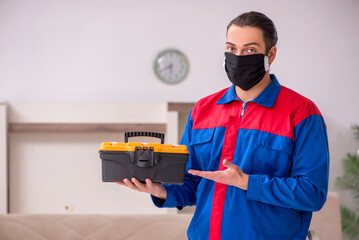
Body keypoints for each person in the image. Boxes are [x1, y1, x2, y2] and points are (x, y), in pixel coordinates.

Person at [117, 11, 329, 240]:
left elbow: (312, 193)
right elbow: (192, 182)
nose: (238, 56)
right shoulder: (203, 110)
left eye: (249, 50)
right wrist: (161, 191)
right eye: (231, 49)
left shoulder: (302, 113)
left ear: (271, 54)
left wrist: (248, 182)